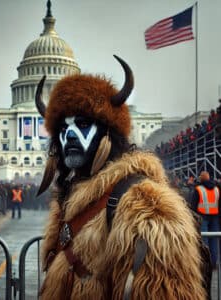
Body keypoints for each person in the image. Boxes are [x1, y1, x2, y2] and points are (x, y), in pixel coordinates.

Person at [35, 55, 208, 299]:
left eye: (83, 124)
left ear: (108, 132)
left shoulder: (145, 207)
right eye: (63, 129)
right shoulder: (72, 201)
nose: (70, 136)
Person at [191, 171, 220, 268]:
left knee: (204, 241)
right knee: (214, 240)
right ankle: (214, 263)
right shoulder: (217, 188)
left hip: (202, 217)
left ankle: (206, 265)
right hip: (215, 217)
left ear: (201, 179)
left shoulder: (198, 189)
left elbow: (193, 206)